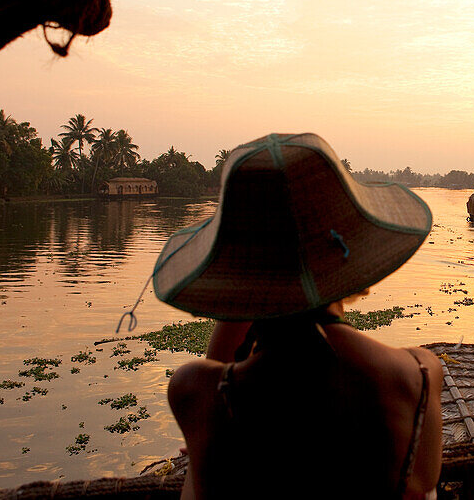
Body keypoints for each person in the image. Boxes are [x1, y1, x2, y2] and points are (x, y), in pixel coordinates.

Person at [154, 133, 442, 499]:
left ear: (233, 277)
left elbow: (217, 378)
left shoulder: (198, 393)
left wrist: (248, 293)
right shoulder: (418, 375)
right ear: (354, 260)